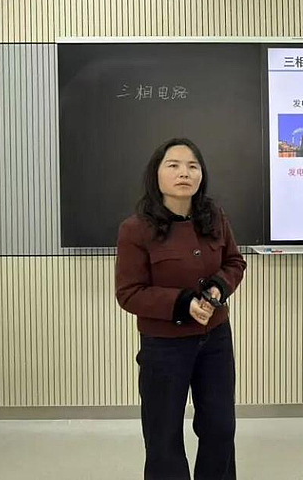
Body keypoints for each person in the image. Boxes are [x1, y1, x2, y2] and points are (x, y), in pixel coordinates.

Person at [115, 137, 247, 480]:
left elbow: (234, 262)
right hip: (164, 346)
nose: (184, 173)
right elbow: (129, 293)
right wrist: (183, 302)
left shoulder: (214, 217)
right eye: (173, 165)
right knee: (163, 437)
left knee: (220, 429)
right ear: (156, 174)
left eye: (192, 166)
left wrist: (218, 287)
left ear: (201, 174)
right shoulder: (135, 229)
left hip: (215, 340)